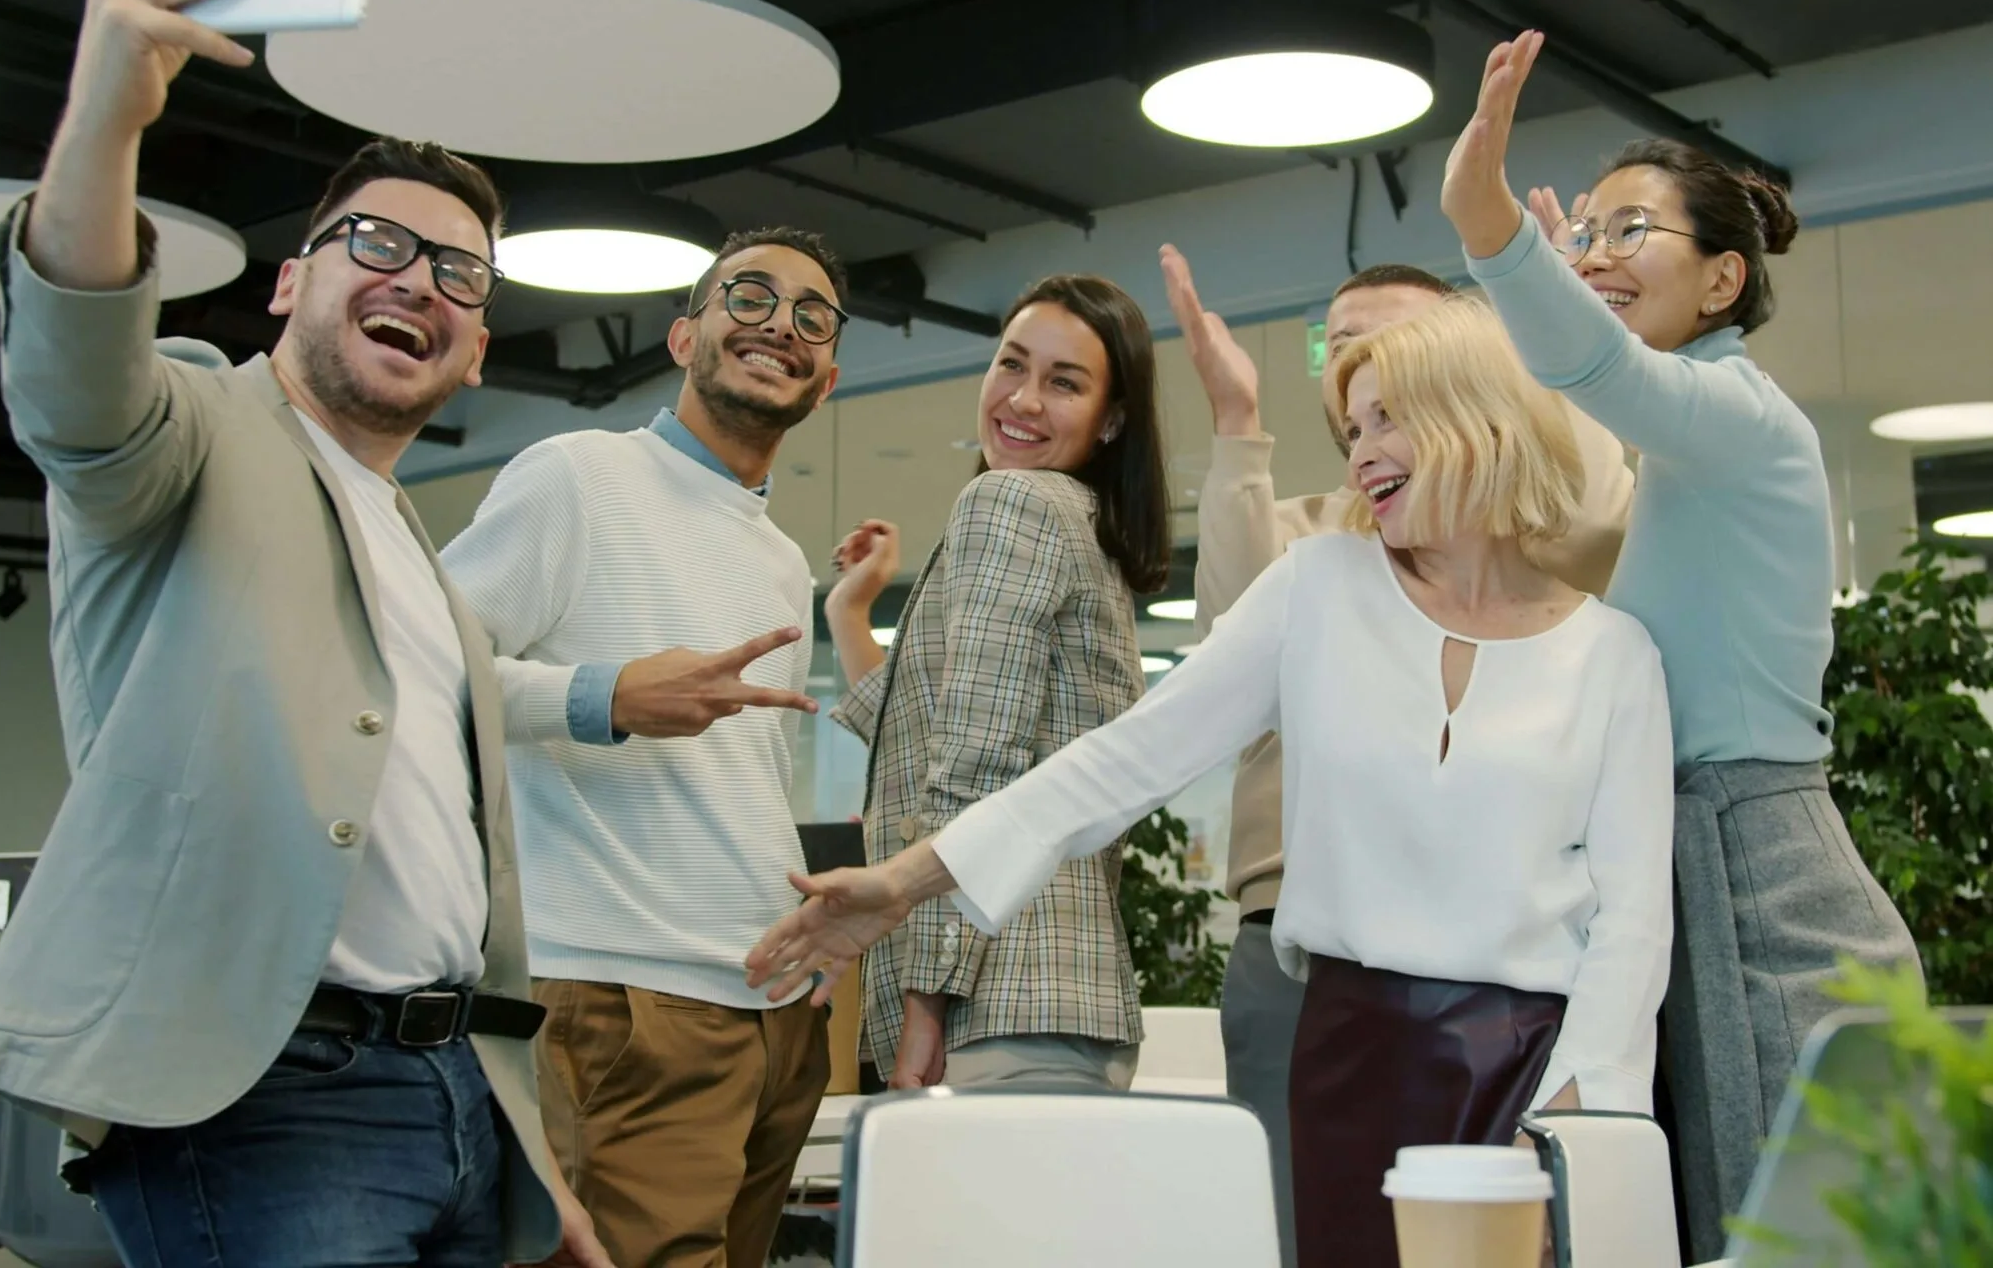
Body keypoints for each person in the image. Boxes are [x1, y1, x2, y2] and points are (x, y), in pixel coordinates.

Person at [747, 298, 1676, 1268]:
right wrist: (901, 883)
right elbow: (1121, 762)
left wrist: (1574, 1119)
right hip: (1351, 1053)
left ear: (1477, 415)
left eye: (1387, 419)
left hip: (1534, 1063)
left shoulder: (1613, 656)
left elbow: (1633, 926)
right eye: (1350, 428)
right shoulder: (1319, 588)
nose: (1360, 452)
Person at [0, 0, 609, 1264]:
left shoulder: (423, 559)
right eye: (374, 241)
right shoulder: (195, 426)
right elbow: (77, 379)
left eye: (459, 274)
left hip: (458, 1099)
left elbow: (443, 877)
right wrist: (108, 112)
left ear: (475, 353)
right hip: (267, 1099)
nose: (416, 277)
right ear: (292, 282)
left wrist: (542, 1175)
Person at [1441, 29, 1921, 1261]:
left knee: (1777, 1232)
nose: (1598, 254)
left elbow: (1592, 363)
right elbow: (1578, 403)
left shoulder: (1738, 418)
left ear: (1720, 280)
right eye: (1585, 232)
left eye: (1628, 231)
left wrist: (1487, 218)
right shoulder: (1692, 442)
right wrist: (1548, 275)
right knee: (1725, 1218)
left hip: (1757, 866)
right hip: (1700, 855)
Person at [1166, 251, 1636, 1267]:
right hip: (1292, 930)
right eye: (1341, 347)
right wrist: (1239, 428)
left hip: (1483, 973)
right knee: (1308, 1229)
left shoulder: (1538, 589)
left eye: (1391, 343)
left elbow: (1593, 518)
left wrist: (1557, 329)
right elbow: (1218, 646)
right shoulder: (1316, 545)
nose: (1360, 359)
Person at [440, 227, 845, 1268]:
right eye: (748, 297)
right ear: (683, 336)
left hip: (772, 1011)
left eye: (811, 315)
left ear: (827, 376)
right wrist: (603, 695)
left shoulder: (778, 553)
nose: (779, 326)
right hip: (624, 1001)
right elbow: (417, 662)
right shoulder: (576, 476)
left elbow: (737, 780)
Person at [820, 275, 1171, 1094]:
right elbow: (934, 730)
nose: (1023, 399)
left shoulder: (1009, 501)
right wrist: (851, 612)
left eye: (1065, 382)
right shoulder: (1081, 526)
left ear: (1112, 419)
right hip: (1061, 1000)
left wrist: (925, 1008)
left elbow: (977, 774)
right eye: (1011, 365)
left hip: (995, 1001)